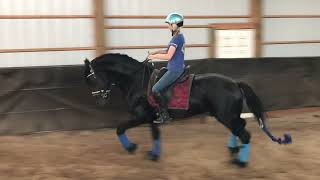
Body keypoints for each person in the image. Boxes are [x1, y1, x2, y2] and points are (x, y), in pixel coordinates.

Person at [148, 12, 186, 123]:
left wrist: (153, 57)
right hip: (177, 67)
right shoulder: (179, 37)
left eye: (169, 24)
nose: (168, 27)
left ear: (174, 25)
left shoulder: (176, 39)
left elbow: (168, 55)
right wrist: (156, 52)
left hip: (175, 69)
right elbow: (168, 50)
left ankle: (165, 116)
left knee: (155, 89)